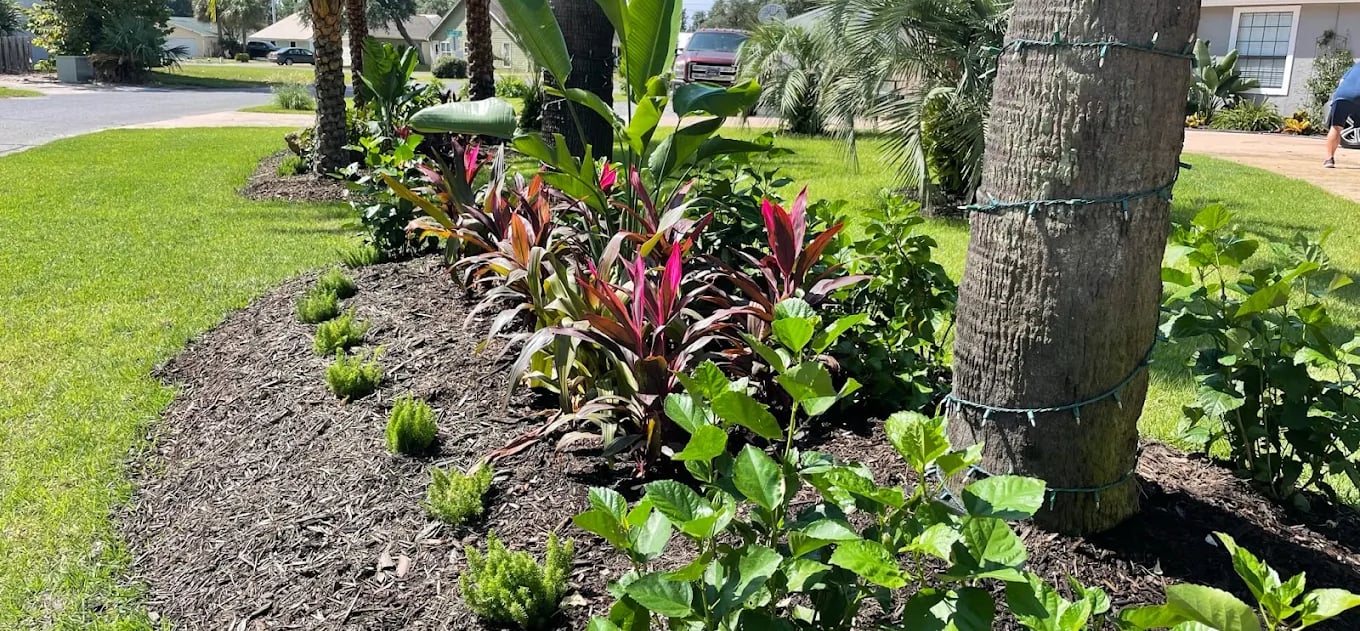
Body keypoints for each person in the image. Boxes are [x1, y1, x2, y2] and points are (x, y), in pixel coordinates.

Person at [1324, 61, 1360, 168]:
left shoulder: (1355, 66)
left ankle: (1329, 159)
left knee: (1335, 127)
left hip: (1342, 95)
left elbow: (1341, 82)